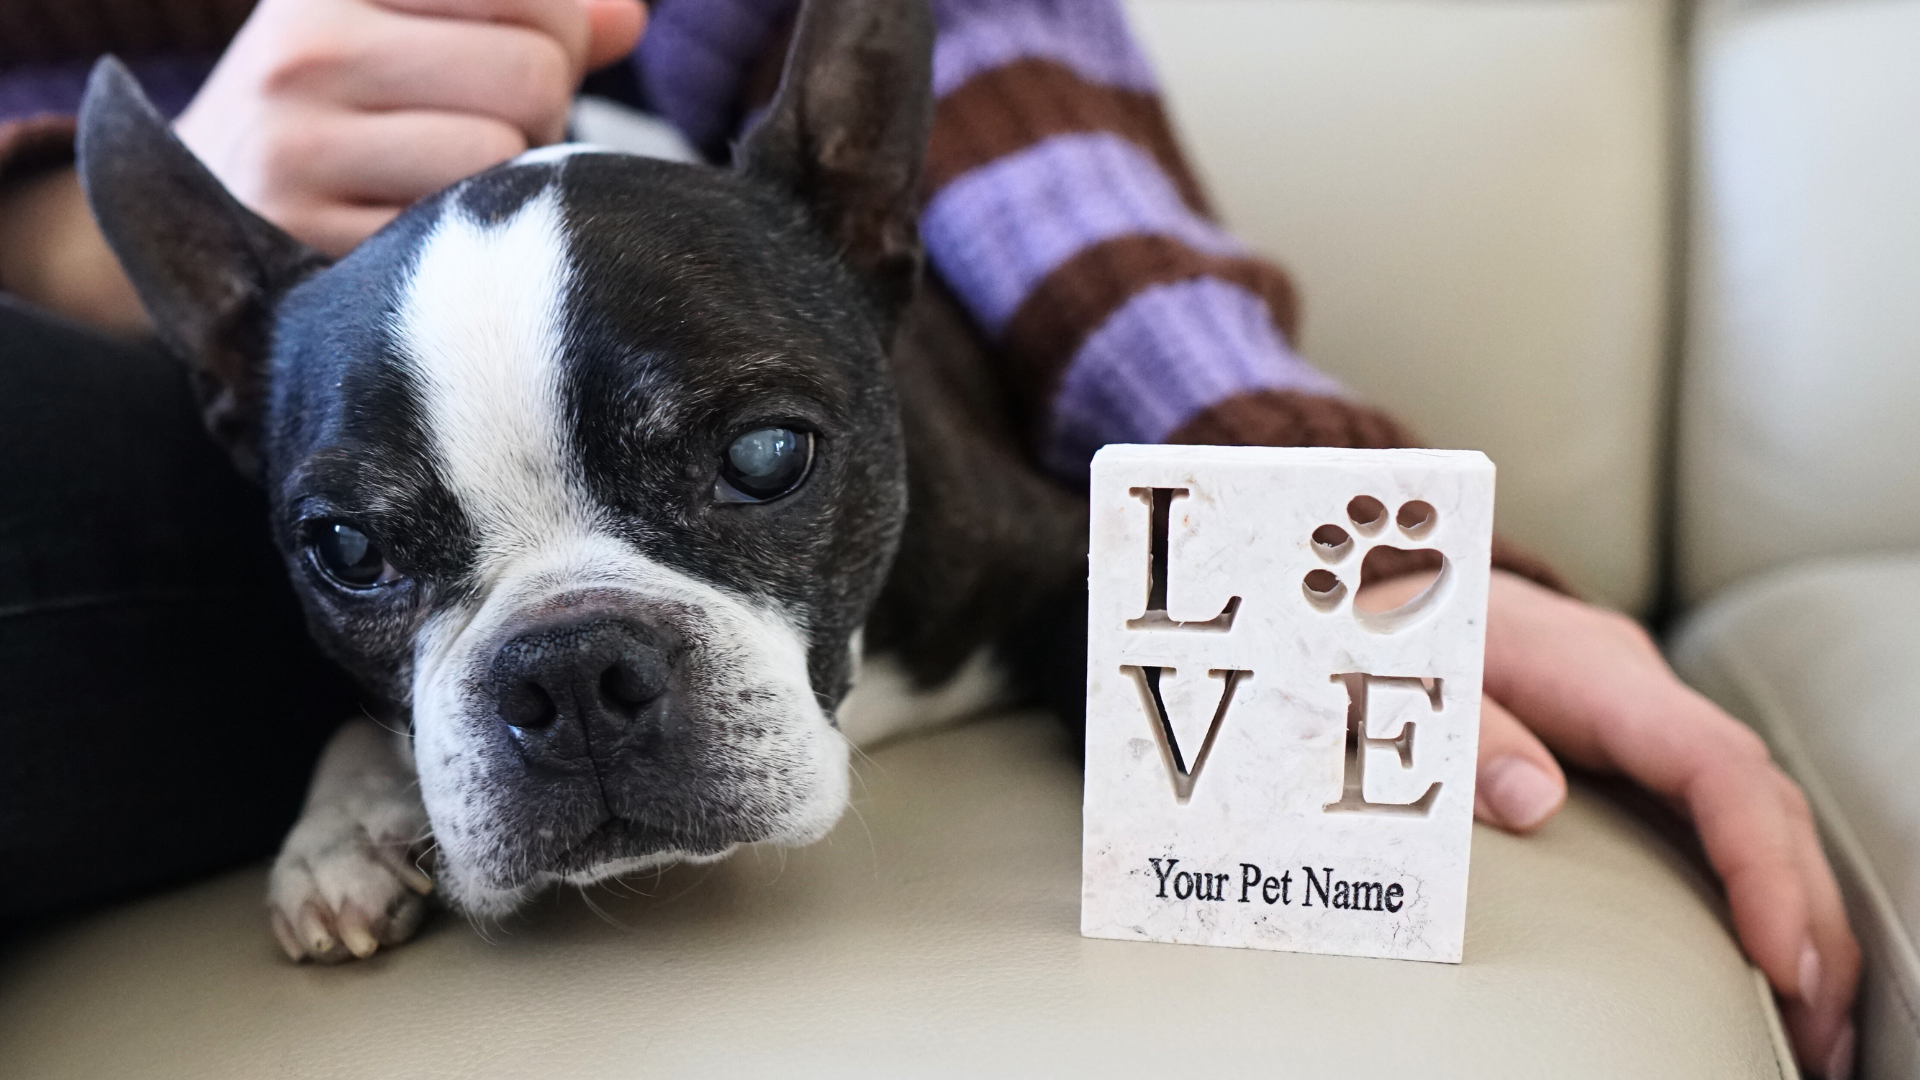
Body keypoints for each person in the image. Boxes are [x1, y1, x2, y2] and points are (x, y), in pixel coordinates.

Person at [0, 0, 1858, 1073]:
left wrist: (1294, 515)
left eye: (748, 470)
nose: (577, 686)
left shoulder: (858, 315)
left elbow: (988, 60)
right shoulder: (266, 364)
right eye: (372, 553)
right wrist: (49, 243)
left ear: (863, 224)